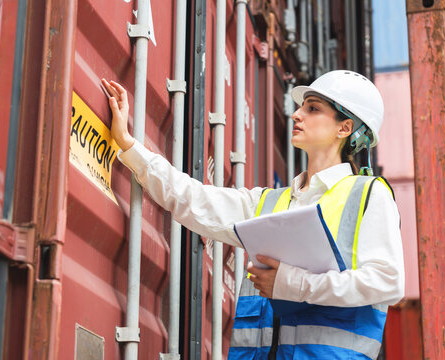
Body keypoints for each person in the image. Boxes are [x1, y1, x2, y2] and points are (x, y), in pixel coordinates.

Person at [101, 70, 404, 360]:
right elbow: (195, 199)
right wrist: (129, 145)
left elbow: (387, 282)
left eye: (313, 109)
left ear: (344, 128)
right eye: (301, 108)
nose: (296, 115)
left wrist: (293, 284)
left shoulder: (369, 196)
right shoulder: (269, 202)